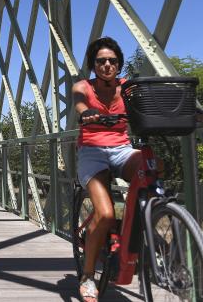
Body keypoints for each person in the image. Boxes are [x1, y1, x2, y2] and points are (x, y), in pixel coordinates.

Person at [72, 37, 142, 301]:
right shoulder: (83, 86)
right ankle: (88, 276)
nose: (107, 65)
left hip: (123, 149)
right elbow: (79, 101)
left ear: (119, 64)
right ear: (93, 65)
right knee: (104, 214)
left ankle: (137, 232)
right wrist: (86, 110)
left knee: (152, 168)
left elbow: (148, 103)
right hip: (92, 151)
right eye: (101, 61)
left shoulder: (127, 88)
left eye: (112, 61)